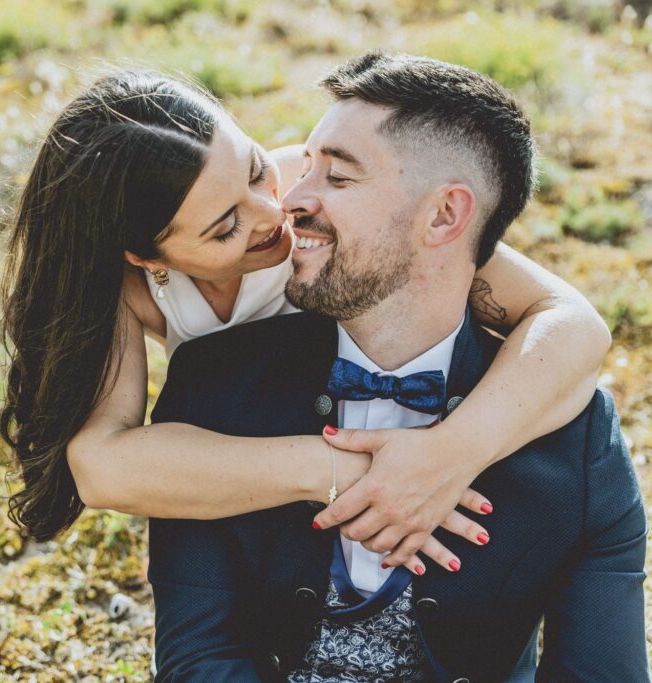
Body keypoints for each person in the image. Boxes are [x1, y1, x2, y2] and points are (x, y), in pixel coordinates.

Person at [147, 52, 648, 681]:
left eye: (338, 177)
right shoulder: (214, 387)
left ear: (443, 215)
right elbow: (196, 661)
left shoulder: (577, 439)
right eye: (306, 166)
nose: (290, 201)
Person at [0, 68, 611, 576]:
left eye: (253, 169)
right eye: (225, 227)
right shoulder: (125, 288)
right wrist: (341, 473)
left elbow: (573, 322)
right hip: (274, 479)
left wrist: (449, 455)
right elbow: (101, 467)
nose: (275, 214)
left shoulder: (319, 195)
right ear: (148, 257)